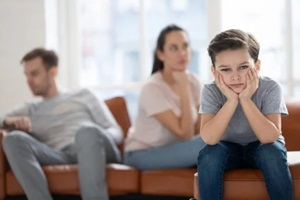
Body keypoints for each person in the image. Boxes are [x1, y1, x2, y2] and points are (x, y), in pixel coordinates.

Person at [0, 48, 123, 200]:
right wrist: (7, 121)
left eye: (35, 74)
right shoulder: (30, 108)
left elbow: (116, 131)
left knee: (85, 132)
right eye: (26, 75)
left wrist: (92, 137)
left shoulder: (83, 95)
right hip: (59, 155)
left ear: (52, 72)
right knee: (12, 139)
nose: (29, 81)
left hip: (95, 149)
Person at [197, 29, 293, 200]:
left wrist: (246, 100)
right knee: (209, 155)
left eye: (243, 67)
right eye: (225, 70)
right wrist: (232, 101)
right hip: (228, 148)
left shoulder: (270, 88)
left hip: (262, 146)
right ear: (214, 72)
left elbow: (269, 137)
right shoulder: (211, 90)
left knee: (271, 152)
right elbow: (210, 138)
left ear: (257, 66)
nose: (235, 76)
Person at [123, 24, 206, 171]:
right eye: (174, 48)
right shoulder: (152, 88)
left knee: (215, 138)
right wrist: (183, 87)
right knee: (208, 143)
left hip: (174, 148)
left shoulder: (195, 82)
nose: (182, 53)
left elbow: (198, 131)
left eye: (185, 46)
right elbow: (185, 135)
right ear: (160, 54)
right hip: (141, 154)